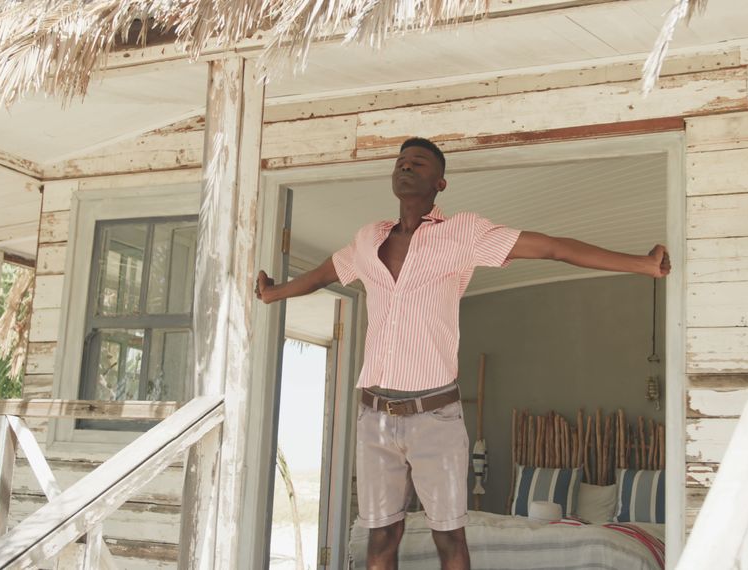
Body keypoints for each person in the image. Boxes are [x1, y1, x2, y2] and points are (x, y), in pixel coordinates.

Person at [255, 137, 671, 570]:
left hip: (435, 418)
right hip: (374, 417)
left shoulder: (462, 234)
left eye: (418, 163)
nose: (406, 167)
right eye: (401, 162)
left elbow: (552, 247)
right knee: (380, 538)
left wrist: (640, 264)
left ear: (440, 183)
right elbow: (324, 273)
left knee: (449, 537)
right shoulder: (366, 240)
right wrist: (272, 294)